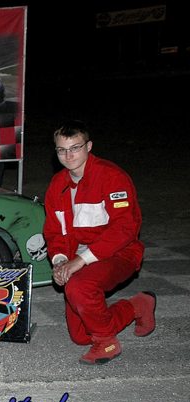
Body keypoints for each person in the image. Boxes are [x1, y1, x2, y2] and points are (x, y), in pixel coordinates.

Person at [43, 120, 156, 364]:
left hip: (120, 253)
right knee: (81, 336)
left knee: (79, 286)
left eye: (75, 148)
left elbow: (126, 228)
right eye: (62, 150)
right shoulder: (57, 184)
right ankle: (138, 306)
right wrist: (60, 262)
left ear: (89, 146)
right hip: (78, 257)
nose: (68, 155)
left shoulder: (111, 176)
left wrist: (81, 261)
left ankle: (106, 343)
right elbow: (54, 232)